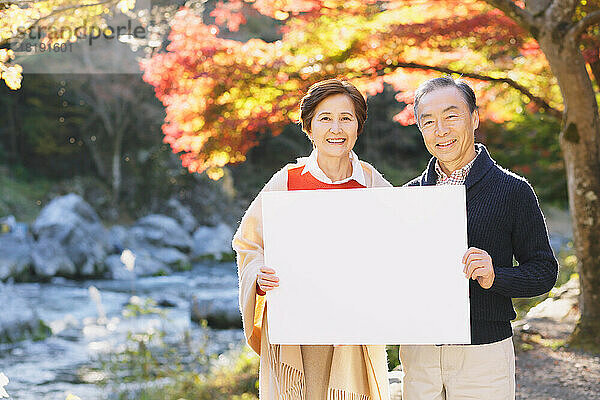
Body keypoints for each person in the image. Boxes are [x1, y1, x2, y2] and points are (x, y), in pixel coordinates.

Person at [400, 76, 558, 400]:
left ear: (474, 118)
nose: (440, 130)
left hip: (483, 354)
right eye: (428, 121)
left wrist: (494, 276)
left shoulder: (513, 190)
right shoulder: (408, 196)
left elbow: (544, 271)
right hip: (419, 355)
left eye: (451, 116)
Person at [232, 78, 392, 400]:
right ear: (309, 127)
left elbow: (398, 248)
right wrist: (259, 273)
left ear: (358, 126)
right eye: (325, 118)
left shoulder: (372, 183)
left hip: (353, 333)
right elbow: (248, 243)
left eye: (346, 118)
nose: (336, 128)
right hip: (296, 332)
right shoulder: (287, 181)